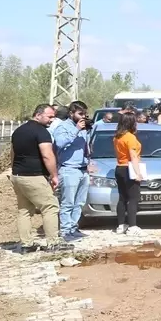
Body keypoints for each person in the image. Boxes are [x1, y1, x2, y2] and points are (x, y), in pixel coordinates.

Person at [10, 104, 61, 252]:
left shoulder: (18, 131)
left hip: (18, 175)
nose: (52, 120)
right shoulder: (41, 132)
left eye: (53, 117)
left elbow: (12, 154)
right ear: (38, 115)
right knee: (50, 207)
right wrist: (54, 175)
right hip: (34, 176)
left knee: (24, 210)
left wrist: (14, 170)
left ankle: (27, 244)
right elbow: (47, 155)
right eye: (49, 116)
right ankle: (53, 243)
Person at [51, 100, 92, 242]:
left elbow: (86, 148)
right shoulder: (63, 127)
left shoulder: (83, 128)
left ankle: (74, 227)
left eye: (85, 114)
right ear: (71, 113)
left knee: (79, 202)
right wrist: (76, 130)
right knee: (67, 202)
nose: (83, 117)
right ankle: (65, 231)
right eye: (80, 114)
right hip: (69, 169)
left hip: (82, 169)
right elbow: (60, 143)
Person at [113, 110, 145, 235]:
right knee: (133, 198)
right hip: (129, 168)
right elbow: (133, 155)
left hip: (119, 167)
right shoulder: (130, 137)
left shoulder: (117, 137)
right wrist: (138, 173)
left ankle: (121, 225)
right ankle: (132, 226)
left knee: (122, 198)